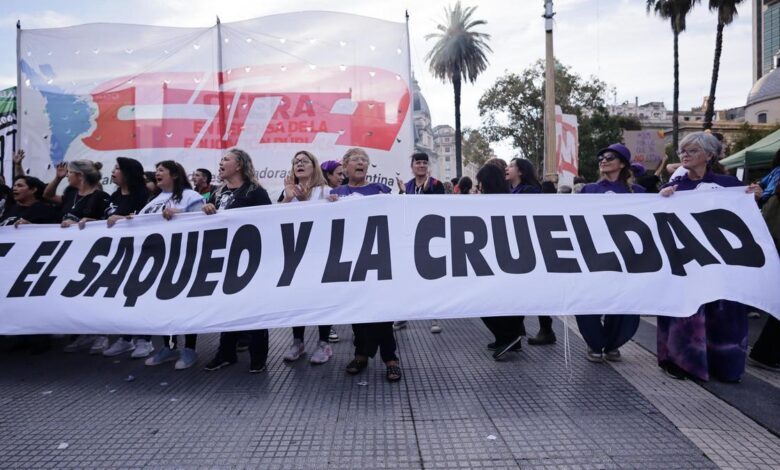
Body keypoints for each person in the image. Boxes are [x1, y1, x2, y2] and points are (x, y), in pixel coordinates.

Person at [657, 132, 763, 382]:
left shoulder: (729, 187)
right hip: (687, 264)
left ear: (709, 155)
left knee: (723, 313)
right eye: (682, 151)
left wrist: (755, 197)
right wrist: (661, 200)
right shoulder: (675, 188)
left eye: (692, 151)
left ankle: (725, 366)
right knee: (686, 312)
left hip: (722, 265)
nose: (684, 155)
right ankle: (680, 362)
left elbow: (747, 222)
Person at [331, 147, 401, 382]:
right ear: (345, 166)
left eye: (364, 160)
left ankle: (390, 359)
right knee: (357, 309)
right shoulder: (336, 193)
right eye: (355, 160)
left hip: (378, 259)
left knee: (382, 310)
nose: (360, 163)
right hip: (350, 261)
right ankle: (361, 354)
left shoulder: (381, 190)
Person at [202, 149, 272, 373]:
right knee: (227, 308)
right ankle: (226, 353)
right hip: (224, 260)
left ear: (239, 165)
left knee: (253, 308)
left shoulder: (255, 192)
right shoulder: (218, 192)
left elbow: (269, 222)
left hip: (250, 261)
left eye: (225, 159)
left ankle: (258, 356)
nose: (220, 163)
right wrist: (206, 210)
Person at [576, 144, 645, 363]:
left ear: (622, 163)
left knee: (625, 303)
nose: (603, 160)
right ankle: (595, 342)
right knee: (588, 301)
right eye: (601, 158)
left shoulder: (639, 193)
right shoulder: (589, 190)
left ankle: (614, 342)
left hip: (627, 258)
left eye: (609, 157)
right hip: (594, 256)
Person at [141, 160, 205, 370]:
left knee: (185, 306)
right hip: (159, 262)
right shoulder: (154, 200)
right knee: (165, 306)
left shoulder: (190, 196)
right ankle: (169, 346)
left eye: (161, 170)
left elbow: (202, 222)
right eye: (156, 170)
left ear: (175, 175)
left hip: (184, 260)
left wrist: (179, 216)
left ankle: (189, 349)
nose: (156, 173)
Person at [44, 159, 111, 354]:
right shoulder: (70, 194)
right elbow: (47, 196)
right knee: (75, 293)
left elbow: (110, 222)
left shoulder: (101, 197)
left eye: (70, 173)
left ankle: (102, 334)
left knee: (94, 292)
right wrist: (57, 178)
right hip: (69, 253)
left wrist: (92, 222)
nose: (68, 176)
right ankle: (83, 333)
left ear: (79, 176)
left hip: (92, 254)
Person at [279, 150, 336, 365]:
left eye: (304, 161)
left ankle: (324, 343)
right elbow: (274, 220)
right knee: (298, 298)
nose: (299, 164)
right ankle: (298, 342)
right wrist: (287, 198)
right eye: (295, 162)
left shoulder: (325, 191)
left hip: (320, 254)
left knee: (321, 298)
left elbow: (330, 220)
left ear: (314, 166)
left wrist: (306, 202)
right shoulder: (288, 191)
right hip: (295, 254)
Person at [101, 157, 154, 359]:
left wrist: (123, 220)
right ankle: (125, 339)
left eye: (117, 168)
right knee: (121, 297)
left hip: (140, 255)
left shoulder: (144, 196)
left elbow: (147, 220)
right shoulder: (114, 196)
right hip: (118, 255)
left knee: (139, 297)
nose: (113, 172)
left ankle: (145, 340)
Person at [475, 164, 524, 360]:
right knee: (507, 300)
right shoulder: (509, 199)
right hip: (508, 258)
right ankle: (509, 337)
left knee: (482, 301)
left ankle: (507, 337)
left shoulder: (492, 202)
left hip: (499, 258)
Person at [505, 158, 556, 346]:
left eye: (511, 166)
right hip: (520, 246)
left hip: (531, 247)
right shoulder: (513, 191)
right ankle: (529, 330)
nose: (506, 168)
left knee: (529, 288)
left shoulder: (530, 192)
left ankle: (537, 330)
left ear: (521, 172)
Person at [393, 152, 445, 334]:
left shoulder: (436, 185)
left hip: (431, 236)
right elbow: (402, 210)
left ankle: (434, 316)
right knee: (406, 276)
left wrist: (426, 190)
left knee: (430, 276)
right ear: (412, 166)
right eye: (418, 162)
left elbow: (439, 207)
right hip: (409, 237)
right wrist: (402, 194)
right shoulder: (406, 186)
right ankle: (403, 315)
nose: (421, 165)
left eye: (424, 162)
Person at [320, 159, 346, 344]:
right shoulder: (316, 193)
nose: (342, 178)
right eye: (338, 174)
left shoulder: (341, 193)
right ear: (328, 175)